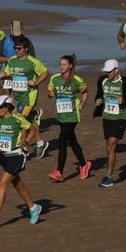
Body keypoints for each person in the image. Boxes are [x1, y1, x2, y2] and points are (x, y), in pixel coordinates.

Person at [0, 96, 42, 227]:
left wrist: (26, 141)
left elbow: (33, 129)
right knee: (17, 184)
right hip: (3, 156)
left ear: (7, 107)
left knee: (2, 183)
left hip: (16, 155)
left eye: (0, 107)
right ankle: (33, 208)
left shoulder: (17, 119)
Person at [0, 37, 50, 158]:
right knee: (29, 122)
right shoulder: (12, 61)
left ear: (26, 49)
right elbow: (8, 73)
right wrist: (4, 75)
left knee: (19, 120)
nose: (16, 50)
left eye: (19, 48)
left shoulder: (33, 62)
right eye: (15, 48)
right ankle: (40, 143)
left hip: (28, 98)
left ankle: (22, 147)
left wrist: (36, 82)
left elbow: (45, 72)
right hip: (15, 96)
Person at [46, 54, 92, 182]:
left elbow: (85, 91)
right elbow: (49, 92)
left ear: (70, 66)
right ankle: (84, 165)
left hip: (72, 115)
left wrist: (83, 103)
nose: (61, 67)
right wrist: (50, 94)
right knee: (72, 141)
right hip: (61, 115)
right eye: (60, 64)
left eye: (64, 65)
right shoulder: (55, 78)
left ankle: (59, 172)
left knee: (62, 140)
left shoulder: (77, 80)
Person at [95, 59, 126, 187]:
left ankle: (109, 176)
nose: (108, 74)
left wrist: (123, 100)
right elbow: (99, 94)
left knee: (111, 145)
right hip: (107, 116)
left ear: (117, 70)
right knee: (110, 146)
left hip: (120, 116)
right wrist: (97, 100)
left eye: (110, 71)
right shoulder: (103, 80)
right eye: (106, 71)